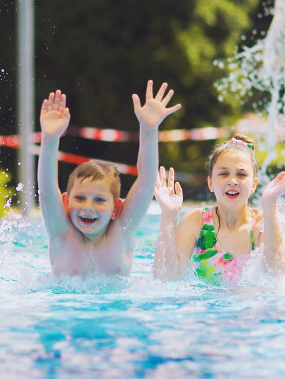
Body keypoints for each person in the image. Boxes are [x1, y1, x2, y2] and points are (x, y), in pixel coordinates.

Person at [37, 80, 181, 276]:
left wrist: (149, 129)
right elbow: (46, 191)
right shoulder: (61, 232)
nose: (88, 206)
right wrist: (50, 139)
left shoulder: (122, 231)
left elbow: (146, 184)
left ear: (116, 208)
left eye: (99, 200)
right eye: (80, 198)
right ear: (66, 201)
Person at [153, 135, 285, 285]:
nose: (232, 181)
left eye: (241, 174)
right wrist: (168, 217)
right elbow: (167, 277)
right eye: (223, 174)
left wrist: (270, 203)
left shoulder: (261, 224)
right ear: (210, 182)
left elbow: (278, 273)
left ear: (254, 184)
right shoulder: (196, 221)